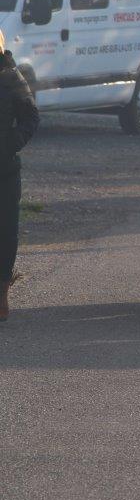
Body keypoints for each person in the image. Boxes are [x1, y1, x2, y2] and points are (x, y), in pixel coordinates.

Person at [0, 30, 39, 321]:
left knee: (6, 234)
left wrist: (11, 143)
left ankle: (2, 294)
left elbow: (31, 117)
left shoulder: (11, 77)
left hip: (5, 169)